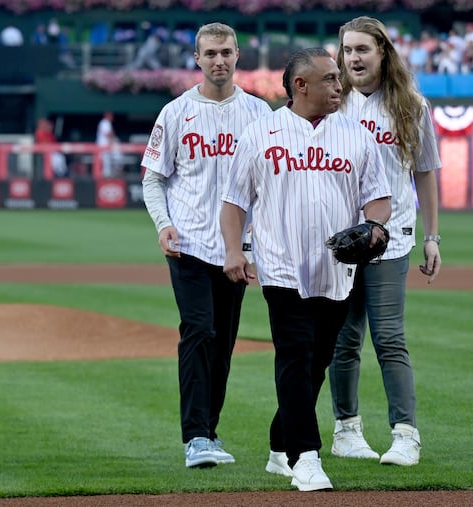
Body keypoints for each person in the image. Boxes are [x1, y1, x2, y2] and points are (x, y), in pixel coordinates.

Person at [220, 47, 392, 491]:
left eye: (339, 78)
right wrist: (233, 251)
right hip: (281, 265)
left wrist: (373, 227)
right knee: (295, 354)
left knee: (316, 362)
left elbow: (378, 197)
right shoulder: (261, 134)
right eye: (331, 79)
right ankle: (306, 457)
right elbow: (234, 201)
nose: (341, 85)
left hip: (338, 270)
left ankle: (280, 444)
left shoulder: (357, 136)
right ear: (301, 86)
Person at [140, 22, 271, 470]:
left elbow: (272, 185)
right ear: (196, 58)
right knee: (198, 332)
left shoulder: (259, 115)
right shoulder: (175, 113)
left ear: (238, 57)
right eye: (210, 53)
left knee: (224, 343)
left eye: (226, 52)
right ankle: (195, 436)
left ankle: (210, 430)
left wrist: (257, 243)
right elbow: (153, 179)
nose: (219, 60)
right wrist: (163, 225)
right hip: (190, 243)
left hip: (238, 249)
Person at [327, 16, 442, 467]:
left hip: (391, 241)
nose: (353, 58)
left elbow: (426, 172)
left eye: (362, 49)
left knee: (389, 337)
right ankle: (346, 430)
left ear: (382, 53)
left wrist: (432, 237)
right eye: (348, 50)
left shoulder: (410, 105)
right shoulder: (333, 103)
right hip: (341, 239)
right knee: (343, 339)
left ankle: (405, 434)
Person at [95, 111, 121, 177]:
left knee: (107, 161)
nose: (112, 117)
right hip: (103, 145)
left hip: (104, 145)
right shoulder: (105, 122)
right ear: (107, 116)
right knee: (105, 161)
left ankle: (107, 174)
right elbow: (108, 134)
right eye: (110, 115)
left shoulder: (105, 122)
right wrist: (114, 139)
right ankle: (105, 176)